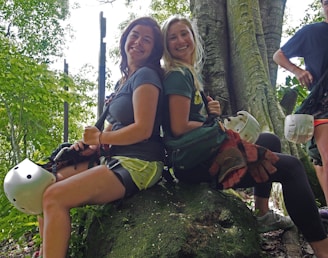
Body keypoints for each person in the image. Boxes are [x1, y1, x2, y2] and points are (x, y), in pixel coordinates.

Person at [161, 15, 328, 257]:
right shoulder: (177, 75)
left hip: (200, 153)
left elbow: (189, 121)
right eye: (172, 37)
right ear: (166, 45)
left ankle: (262, 216)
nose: (180, 40)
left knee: (269, 140)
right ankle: (324, 251)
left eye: (184, 33)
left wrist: (211, 115)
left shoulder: (188, 74)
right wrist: (218, 128)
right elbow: (178, 128)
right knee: (291, 167)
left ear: (194, 36)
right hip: (196, 163)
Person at [34, 16, 165, 258]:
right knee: (43, 186)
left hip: (138, 163)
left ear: (154, 50)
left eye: (147, 40)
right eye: (134, 35)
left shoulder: (146, 75)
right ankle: (46, 250)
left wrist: (101, 137)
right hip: (113, 157)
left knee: (55, 196)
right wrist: (91, 145)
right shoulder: (123, 82)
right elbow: (111, 134)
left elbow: (144, 129)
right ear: (125, 40)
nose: (138, 42)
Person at [273, 0, 328, 219]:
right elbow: (278, 55)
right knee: (320, 159)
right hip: (320, 104)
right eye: (325, 1)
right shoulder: (311, 32)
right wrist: (297, 71)